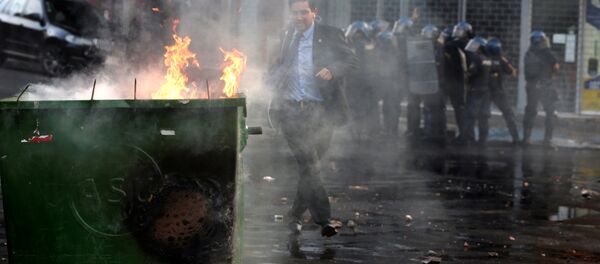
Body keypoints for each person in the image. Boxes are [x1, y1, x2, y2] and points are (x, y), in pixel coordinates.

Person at [268, 0, 356, 237]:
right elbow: (276, 66)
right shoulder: (286, 36)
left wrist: (332, 69)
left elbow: (350, 60)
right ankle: (324, 219)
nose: (298, 17)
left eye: (303, 12)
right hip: (292, 111)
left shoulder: (331, 34)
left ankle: (295, 216)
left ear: (314, 13)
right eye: (295, 13)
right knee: (308, 163)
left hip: (322, 113)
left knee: (311, 168)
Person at [522, 31, 560, 146]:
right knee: (550, 112)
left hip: (532, 86)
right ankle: (547, 140)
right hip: (545, 85)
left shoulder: (529, 53)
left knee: (530, 111)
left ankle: (526, 139)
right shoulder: (548, 53)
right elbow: (556, 67)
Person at [345, 21, 377, 139]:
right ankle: (355, 132)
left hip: (363, 82)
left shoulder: (369, 48)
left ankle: (360, 132)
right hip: (353, 82)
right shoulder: (347, 47)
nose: (358, 37)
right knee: (353, 107)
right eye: (356, 35)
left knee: (363, 108)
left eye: (360, 35)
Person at [443, 21, 473, 144]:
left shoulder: (463, 43)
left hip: (460, 81)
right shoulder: (458, 43)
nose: (457, 32)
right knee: (459, 108)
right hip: (454, 80)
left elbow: (448, 45)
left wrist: (445, 38)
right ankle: (464, 134)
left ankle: (465, 135)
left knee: (461, 109)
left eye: (459, 30)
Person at [486, 38, 520, 144]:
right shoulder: (501, 60)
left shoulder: (484, 59)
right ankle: (516, 139)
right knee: (508, 114)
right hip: (499, 91)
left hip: (486, 91)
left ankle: (482, 139)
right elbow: (512, 72)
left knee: (483, 115)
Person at [463, 36, 492, 145]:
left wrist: (467, 76)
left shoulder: (476, 58)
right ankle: (483, 141)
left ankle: (470, 139)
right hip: (485, 89)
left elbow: (472, 72)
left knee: (470, 115)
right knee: (483, 117)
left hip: (475, 89)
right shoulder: (488, 58)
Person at [375, 30, 403, 137]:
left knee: (389, 108)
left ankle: (390, 130)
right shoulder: (396, 51)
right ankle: (392, 130)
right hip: (393, 84)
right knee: (392, 108)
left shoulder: (383, 51)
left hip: (390, 83)